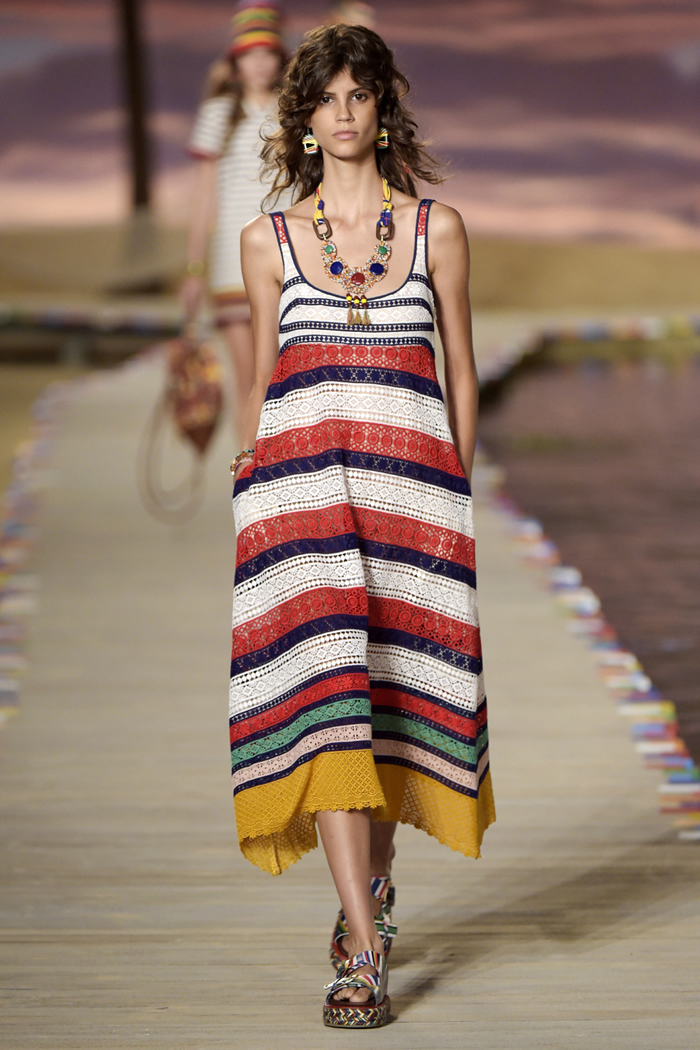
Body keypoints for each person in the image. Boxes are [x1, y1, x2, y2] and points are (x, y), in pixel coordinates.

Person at [229, 23, 496, 1029]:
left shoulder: (436, 230)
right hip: (300, 504)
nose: (343, 113)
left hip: (414, 505)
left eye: (360, 95)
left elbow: (461, 367)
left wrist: (454, 488)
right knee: (332, 701)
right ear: (304, 119)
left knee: (392, 707)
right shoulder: (268, 241)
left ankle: (371, 894)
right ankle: (363, 950)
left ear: (383, 111)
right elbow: (265, 378)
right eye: (326, 98)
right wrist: (248, 468)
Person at [181, 1, 289, 426]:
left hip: (286, 253)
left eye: (268, 53)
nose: (259, 63)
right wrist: (193, 269)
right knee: (250, 381)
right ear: (235, 62)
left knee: (283, 379)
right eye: (249, 54)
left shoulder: (295, 114)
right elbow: (204, 196)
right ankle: (249, 466)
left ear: (280, 59)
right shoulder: (218, 113)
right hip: (231, 258)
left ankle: (281, 463)